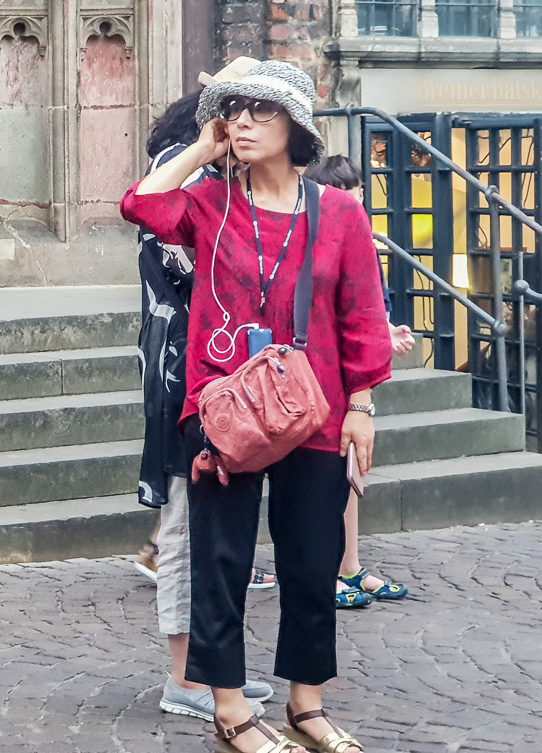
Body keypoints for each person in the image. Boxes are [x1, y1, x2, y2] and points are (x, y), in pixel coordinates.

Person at [121, 61, 392, 753]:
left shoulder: (339, 213)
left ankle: (306, 706)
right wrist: (201, 149)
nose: (241, 122)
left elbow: (362, 312)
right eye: (233, 111)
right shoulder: (210, 203)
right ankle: (230, 710)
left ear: (294, 127)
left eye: (258, 111)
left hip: (316, 409)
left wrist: (362, 405)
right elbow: (141, 205)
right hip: (224, 410)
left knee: (311, 561)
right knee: (221, 561)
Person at [136, 75, 277, 723]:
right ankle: (184, 676)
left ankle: (215, 668)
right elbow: (167, 235)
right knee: (185, 526)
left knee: (217, 527)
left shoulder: (232, 183)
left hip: (221, 373)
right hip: (184, 373)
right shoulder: (188, 174)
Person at [303, 154, 412, 608]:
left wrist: (384, 332)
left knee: (350, 473)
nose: (356, 201)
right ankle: (327, 570)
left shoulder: (358, 235)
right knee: (324, 479)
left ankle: (348, 565)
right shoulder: (319, 234)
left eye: (359, 192)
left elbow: (364, 308)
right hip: (319, 378)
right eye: (346, 193)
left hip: (350, 380)